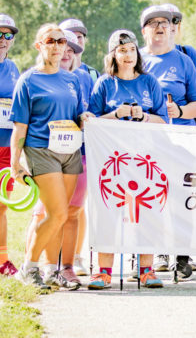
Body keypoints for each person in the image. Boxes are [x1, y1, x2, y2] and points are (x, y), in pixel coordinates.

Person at [11, 23, 93, 289]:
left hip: (69, 151)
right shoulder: (28, 80)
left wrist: (84, 117)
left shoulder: (72, 79)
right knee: (56, 213)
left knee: (66, 212)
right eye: (51, 41)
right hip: (41, 150)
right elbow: (20, 127)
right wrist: (15, 163)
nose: (57, 46)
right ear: (39, 45)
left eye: (61, 42)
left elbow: (76, 114)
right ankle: (29, 267)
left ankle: (52, 270)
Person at [87, 29, 167, 290]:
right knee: (109, 211)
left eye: (132, 49)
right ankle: (104, 271)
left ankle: (145, 269)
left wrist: (142, 116)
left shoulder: (149, 82)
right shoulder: (104, 83)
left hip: (144, 159)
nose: (128, 55)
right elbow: (93, 121)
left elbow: (163, 119)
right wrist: (117, 114)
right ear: (113, 54)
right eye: (122, 50)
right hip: (112, 161)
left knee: (145, 212)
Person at [141, 5, 196, 278]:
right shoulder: (136, 59)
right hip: (145, 141)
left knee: (180, 196)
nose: (159, 27)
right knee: (148, 196)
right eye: (153, 23)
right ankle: (146, 254)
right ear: (144, 31)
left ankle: (182, 254)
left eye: (164, 23)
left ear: (172, 29)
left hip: (181, 138)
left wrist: (178, 112)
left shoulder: (184, 61)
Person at [59, 17, 98, 276]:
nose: (71, 47)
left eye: (78, 38)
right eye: (67, 40)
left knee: (75, 208)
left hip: (80, 152)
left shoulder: (88, 76)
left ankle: (71, 260)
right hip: (50, 153)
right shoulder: (40, 75)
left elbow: (93, 111)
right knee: (46, 211)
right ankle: (41, 263)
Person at [0, 14, 20, 276]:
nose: (2, 40)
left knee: (2, 204)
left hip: (6, 147)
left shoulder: (13, 67)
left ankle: (3, 260)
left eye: (8, 35)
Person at [162, 3, 196, 69]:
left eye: (175, 20)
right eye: (167, 21)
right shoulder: (146, 57)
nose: (171, 25)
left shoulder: (189, 53)